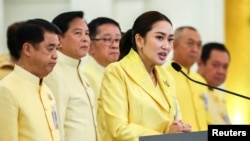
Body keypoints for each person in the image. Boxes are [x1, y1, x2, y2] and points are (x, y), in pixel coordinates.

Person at [97, 11, 192, 141]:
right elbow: (118, 129)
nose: (166, 46)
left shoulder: (167, 77)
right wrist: (165, 138)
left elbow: (175, 123)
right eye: (159, 38)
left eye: (170, 40)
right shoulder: (116, 72)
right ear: (139, 40)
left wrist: (181, 130)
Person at [0, 18, 61, 141]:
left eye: (57, 48)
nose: (55, 55)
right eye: (50, 48)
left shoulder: (46, 90)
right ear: (27, 49)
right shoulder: (6, 90)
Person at [44, 11, 98, 141]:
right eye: (77, 33)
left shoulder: (78, 71)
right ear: (59, 40)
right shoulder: (54, 73)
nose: (85, 39)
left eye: (87, 33)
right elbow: (55, 128)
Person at [164, 26, 207, 131]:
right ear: (174, 45)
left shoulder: (200, 80)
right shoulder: (163, 76)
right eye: (190, 43)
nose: (195, 49)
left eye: (199, 45)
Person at [81, 17, 122, 109]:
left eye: (118, 40)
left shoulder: (118, 74)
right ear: (90, 46)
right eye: (107, 39)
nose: (115, 45)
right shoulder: (85, 76)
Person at [197, 42, 231, 124]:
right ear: (200, 63)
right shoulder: (192, 90)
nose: (221, 71)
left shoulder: (219, 96)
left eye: (225, 67)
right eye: (215, 65)